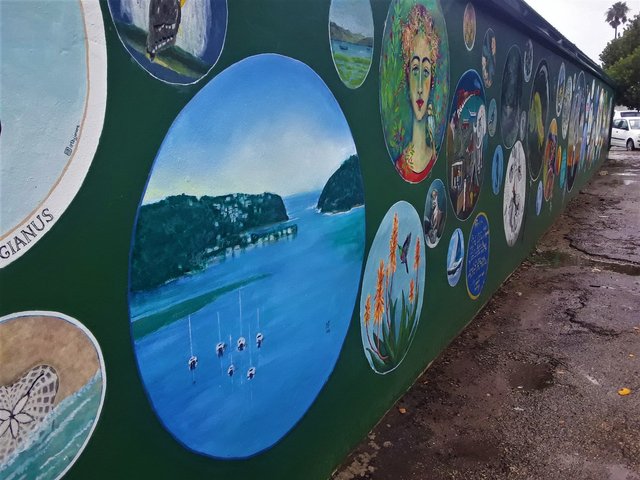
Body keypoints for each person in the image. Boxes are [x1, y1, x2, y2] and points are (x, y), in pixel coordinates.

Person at [395, 4, 440, 183]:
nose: (420, 87)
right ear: (407, 75)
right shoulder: (400, 166)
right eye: (415, 69)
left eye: (426, 71)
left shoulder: (436, 158)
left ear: (433, 80)